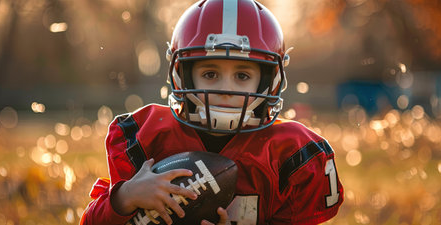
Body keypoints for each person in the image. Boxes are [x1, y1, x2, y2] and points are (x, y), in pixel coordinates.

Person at [80, 0, 344, 224]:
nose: (226, 88)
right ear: (182, 75)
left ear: (268, 81)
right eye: (210, 73)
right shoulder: (147, 135)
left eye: (242, 75)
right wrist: (125, 196)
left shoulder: (292, 154)